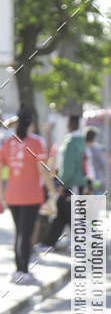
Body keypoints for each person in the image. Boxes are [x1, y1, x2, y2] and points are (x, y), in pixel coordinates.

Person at [0, 106, 55, 284]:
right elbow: (43, 170)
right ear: (31, 123)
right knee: (26, 233)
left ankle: (18, 271)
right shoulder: (36, 142)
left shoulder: (8, 143)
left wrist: (2, 195)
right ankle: (23, 271)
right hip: (31, 195)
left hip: (12, 195)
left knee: (19, 233)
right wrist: (52, 191)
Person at [44, 114, 87, 249]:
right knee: (65, 214)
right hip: (79, 182)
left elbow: (67, 167)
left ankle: (79, 243)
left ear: (68, 125)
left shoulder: (70, 143)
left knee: (70, 215)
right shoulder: (81, 141)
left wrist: (61, 183)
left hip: (71, 184)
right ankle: (50, 242)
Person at [84, 127, 106, 193]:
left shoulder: (82, 147)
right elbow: (103, 164)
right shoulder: (97, 148)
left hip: (84, 180)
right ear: (94, 138)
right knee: (97, 197)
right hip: (97, 179)